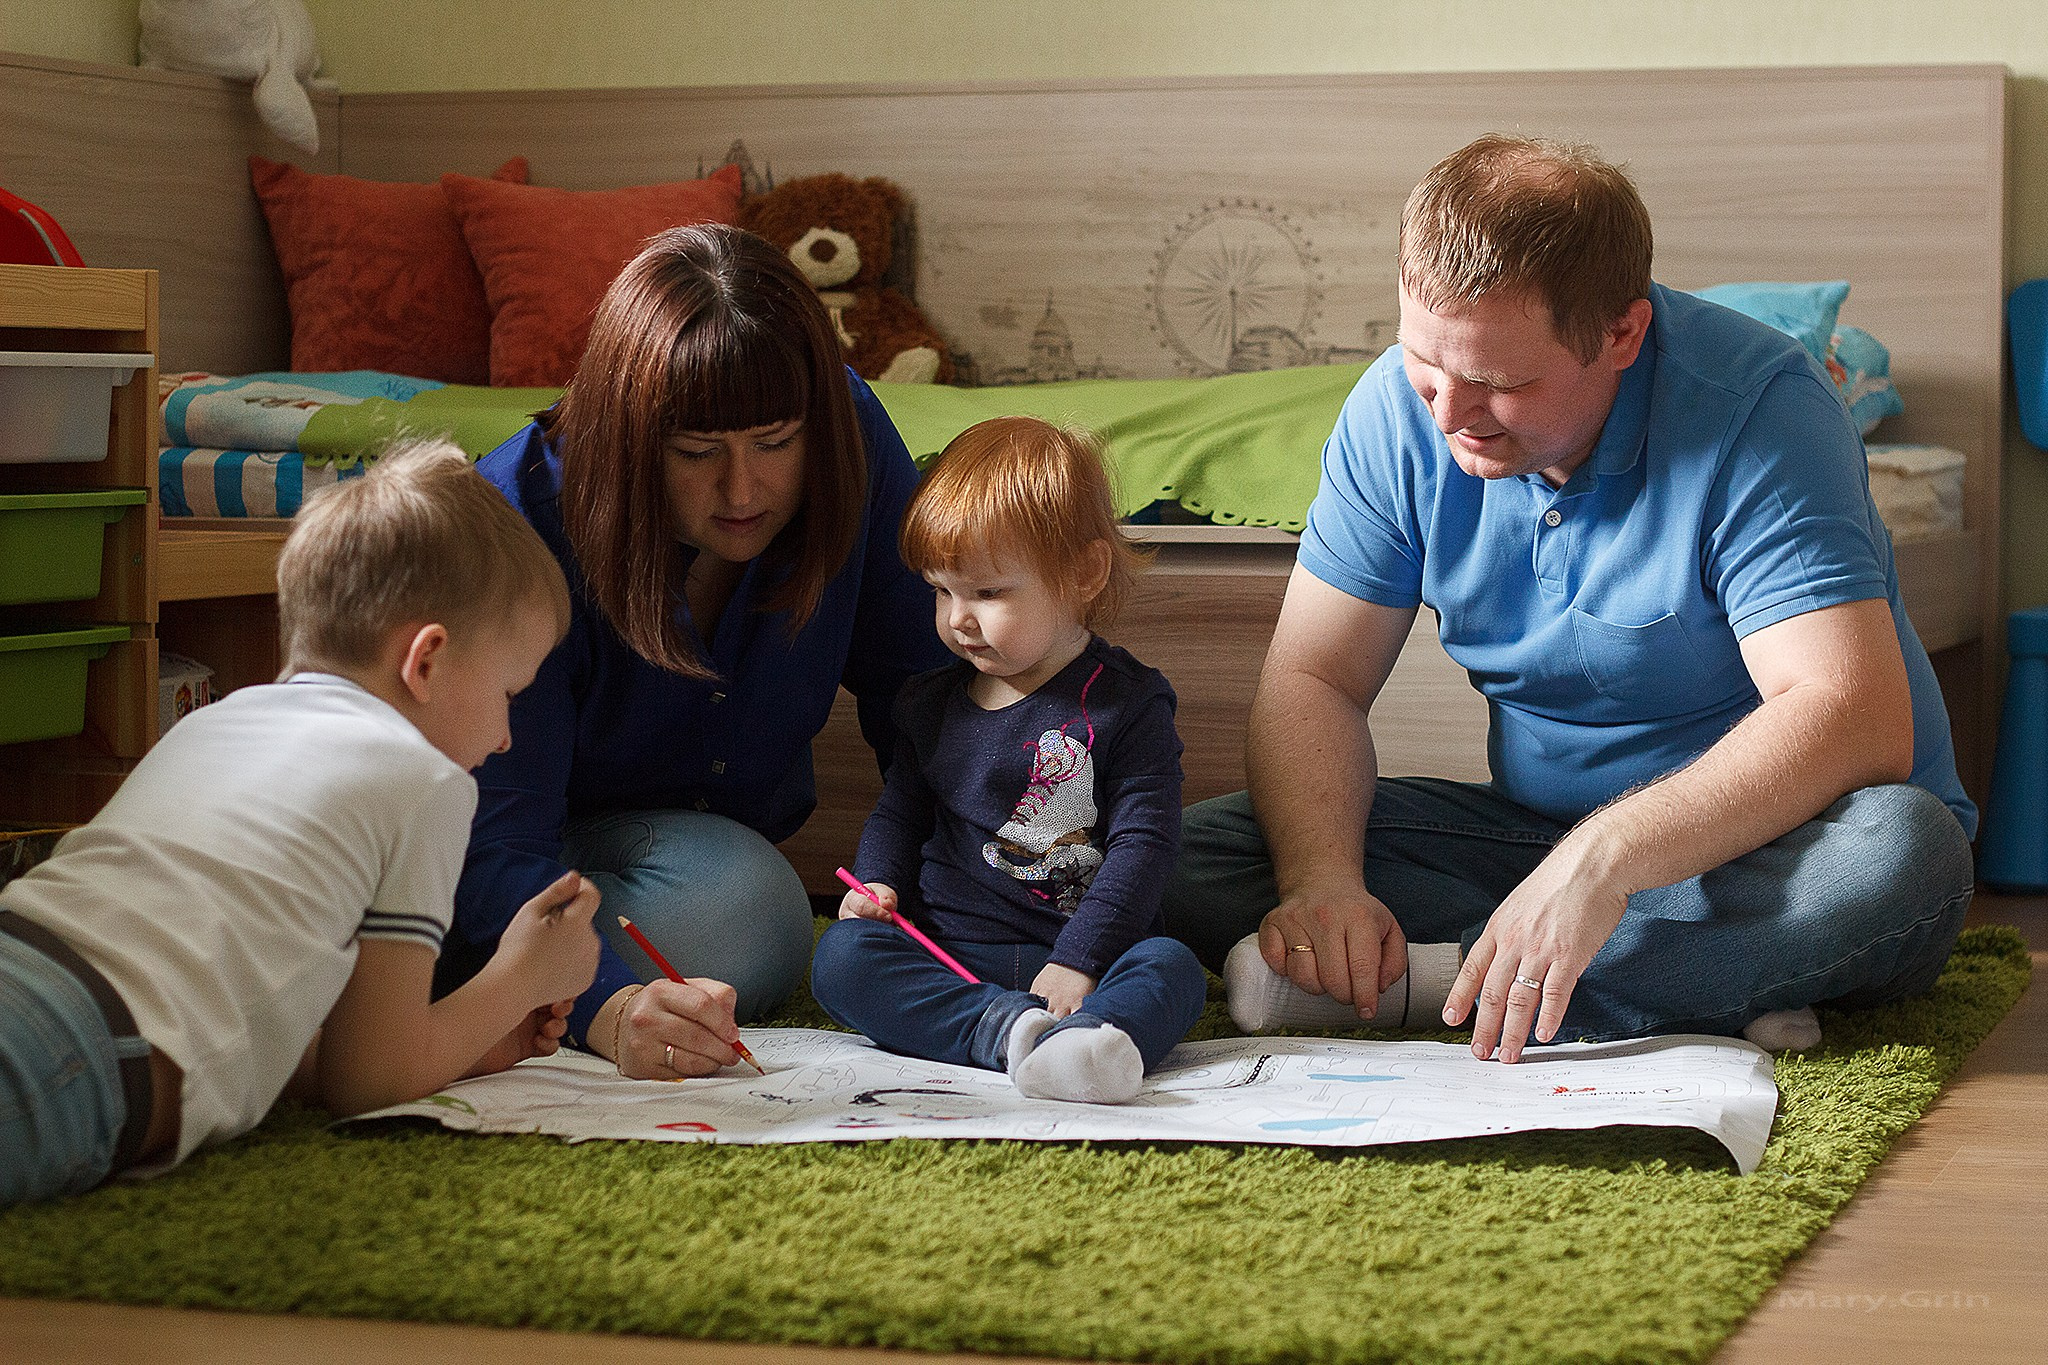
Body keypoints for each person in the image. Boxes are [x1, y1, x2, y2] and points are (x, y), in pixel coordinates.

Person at [1164, 134, 1976, 1064]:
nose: (1446, 413)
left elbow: (1854, 715)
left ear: (1621, 335)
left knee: (1903, 853)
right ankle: (1701, 980)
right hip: (1534, 843)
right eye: (1424, 361)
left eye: (1499, 382)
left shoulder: (1762, 412)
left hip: (1777, 846)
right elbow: (1315, 677)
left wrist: (1607, 860)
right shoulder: (1395, 412)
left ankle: (1434, 983)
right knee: (1178, 853)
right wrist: (1323, 884)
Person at [0, 441, 600, 1204]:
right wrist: (521, 979)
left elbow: (287, 1044)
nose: (508, 738)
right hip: (81, 1047)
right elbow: (369, 1080)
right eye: (509, 695)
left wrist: (463, 1040)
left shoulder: (214, 722)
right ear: (426, 661)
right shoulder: (426, 781)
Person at [449, 222, 952, 1081]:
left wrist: (978, 889)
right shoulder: (522, 519)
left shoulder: (848, 432)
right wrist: (607, 1009)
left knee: (747, 901)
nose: (742, 490)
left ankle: (489, 967)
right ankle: (470, 962)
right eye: (695, 453)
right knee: (747, 910)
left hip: (688, 860)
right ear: (629, 434)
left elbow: (924, 694)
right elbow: (491, 827)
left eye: (775, 444)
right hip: (500, 841)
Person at [809, 417, 1208, 1104]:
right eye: (941, 590)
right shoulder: (928, 702)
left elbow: (1144, 846)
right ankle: (1005, 1032)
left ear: (1083, 573)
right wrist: (877, 881)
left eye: (987, 593)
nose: (957, 618)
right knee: (841, 959)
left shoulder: (1129, 705)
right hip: (951, 953)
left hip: (1091, 957)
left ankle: (1088, 1042)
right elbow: (900, 814)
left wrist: (1079, 959)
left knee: (1173, 968)